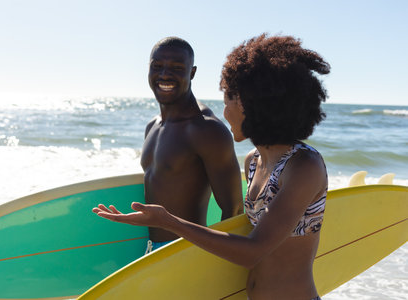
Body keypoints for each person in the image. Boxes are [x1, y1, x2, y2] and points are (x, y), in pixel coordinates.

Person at [94, 33, 330, 300]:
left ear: (255, 103)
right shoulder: (254, 161)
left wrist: (168, 221)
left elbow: (253, 251)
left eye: (229, 98)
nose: (224, 110)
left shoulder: (304, 165)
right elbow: (240, 232)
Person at [138, 37, 243, 253]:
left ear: (192, 73)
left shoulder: (206, 130)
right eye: (157, 67)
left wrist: (213, 266)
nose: (165, 74)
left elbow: (234, 210)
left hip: (187, 253)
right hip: (151, 253)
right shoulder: (152, 126)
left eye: (176, 68)